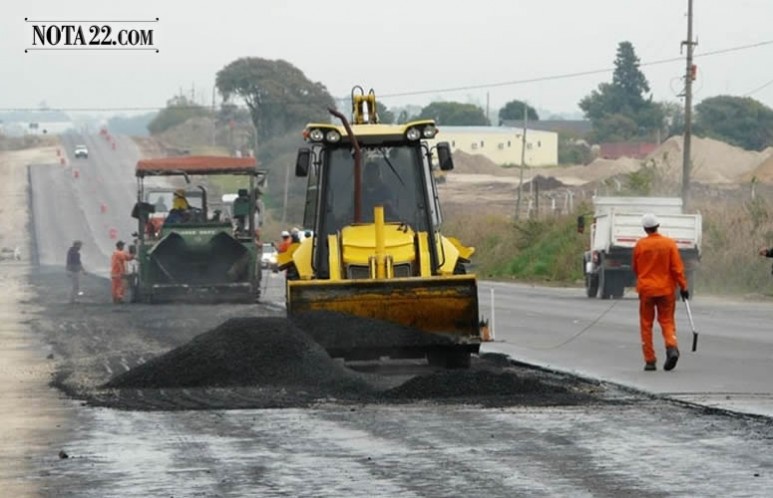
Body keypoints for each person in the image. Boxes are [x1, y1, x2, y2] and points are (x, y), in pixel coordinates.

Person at [632, 213, 689, 372]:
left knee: (646, 324)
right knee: (667, 321)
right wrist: (683, 286)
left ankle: (650, 360)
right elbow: (677, 269)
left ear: (645, 228)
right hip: (666, 290)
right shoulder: (669, 244)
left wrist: (642, 281)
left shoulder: (640, 246)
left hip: (647, 290)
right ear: (658, 226)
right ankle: (671, 347)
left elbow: (636, 268)